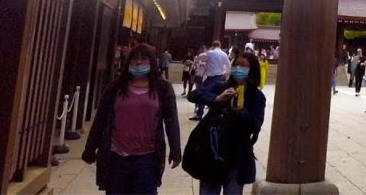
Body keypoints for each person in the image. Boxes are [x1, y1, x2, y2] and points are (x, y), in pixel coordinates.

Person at [82, 44, 181, 194]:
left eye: (144, 58)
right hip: (116, 155)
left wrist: (175, 150)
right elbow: (101, 119)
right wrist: (90, 149)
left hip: (147, 157)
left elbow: (171, 121)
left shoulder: (162, 88)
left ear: (152, 62)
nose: (139, 62)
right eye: (134, 59)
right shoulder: (116, 87)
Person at [188, 51, 266, 195]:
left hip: (237, 157)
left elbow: (255, 125)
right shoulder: (222, 86)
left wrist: (240, 111)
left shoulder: (257, 97)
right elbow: (193, 95)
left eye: (243, 66)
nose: (238, 68)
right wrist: (217, 98)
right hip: (213, 153)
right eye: (236, 65)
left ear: (252, 70)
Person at [193, 41, 231, 121]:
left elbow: (199, 57)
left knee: (202, 93)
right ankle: (216, 114)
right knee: (218, 96)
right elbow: (228, 66)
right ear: (220, 46)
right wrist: (225, 75)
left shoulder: (209, 53)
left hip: (210, 78)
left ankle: (199, 113)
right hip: (220, 77)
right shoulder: (224, 54)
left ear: (212, 46)